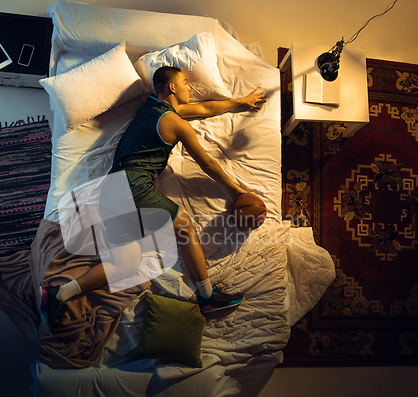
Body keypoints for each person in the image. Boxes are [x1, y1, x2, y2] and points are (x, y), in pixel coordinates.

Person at [39, 66, 267, 334]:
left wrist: (241, 101)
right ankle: (206, 296)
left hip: (110, 190)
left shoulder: (152, 107)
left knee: (125, 263)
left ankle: (58, 294)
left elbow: (206, 110)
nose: (189, 88)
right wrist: (237, 189)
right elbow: (206, 162)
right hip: (132, 186)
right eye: (184, 83)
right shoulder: (175, 122)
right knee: (186, 227)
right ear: (172, 87)